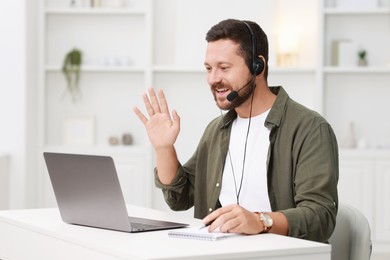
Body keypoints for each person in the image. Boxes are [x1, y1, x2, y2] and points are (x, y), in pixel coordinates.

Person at [133, 18, 339, 242]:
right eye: (209, 69)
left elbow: (321, 217)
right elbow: (179, 198)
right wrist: (164, 148)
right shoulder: (217, 130)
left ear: (257, 66)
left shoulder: (309, 129)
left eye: (223, 68)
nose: (213, 79)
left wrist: (260, 221)